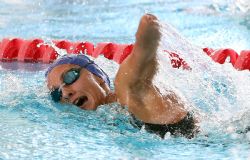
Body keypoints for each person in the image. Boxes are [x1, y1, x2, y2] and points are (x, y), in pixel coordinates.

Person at [45, 14, 199, 138]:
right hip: (186, 138)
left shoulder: (122, 95)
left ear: (98, 77)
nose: (65, 92)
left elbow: (132, 82)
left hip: (172, 125)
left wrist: (144, 47)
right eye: (56, 92)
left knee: (128, 87)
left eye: (69, 77)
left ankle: (144, 48)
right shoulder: (102, 120)